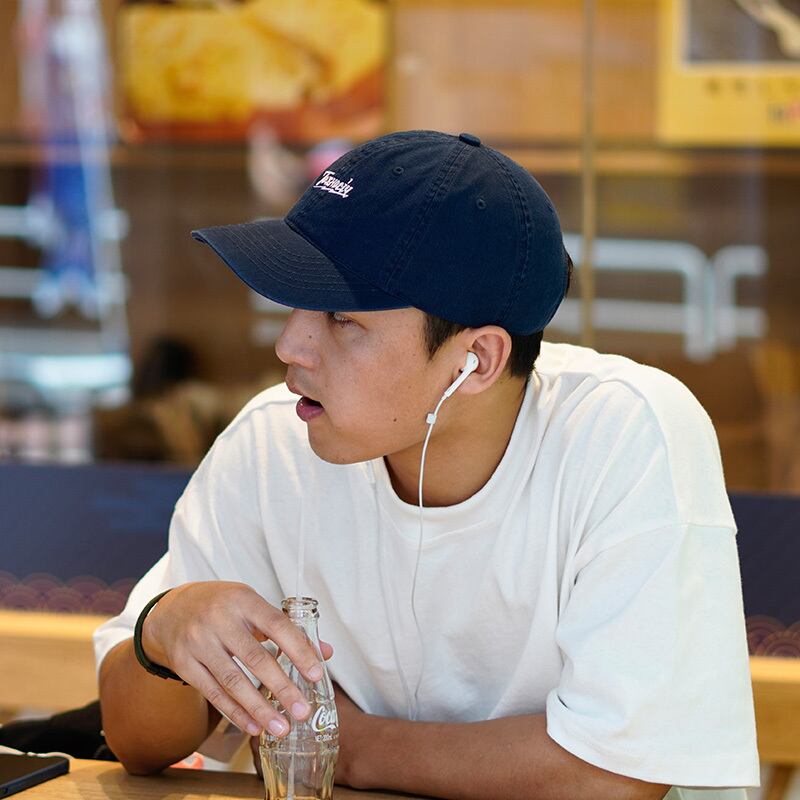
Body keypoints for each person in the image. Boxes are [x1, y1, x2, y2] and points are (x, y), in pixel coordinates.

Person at [95, 130, 759, 799]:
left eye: (342, 317)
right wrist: (163, 631)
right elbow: (135, 744)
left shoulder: (623, 434)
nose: (290, 345)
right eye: (296, 303)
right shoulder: (274, 442)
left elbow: (612, 780)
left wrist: (352, 747)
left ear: (478, 361)